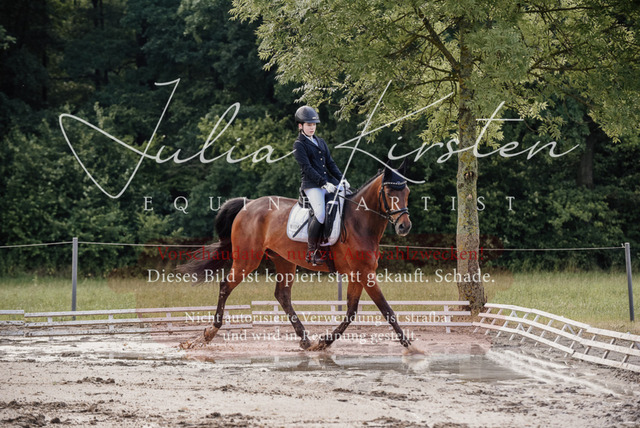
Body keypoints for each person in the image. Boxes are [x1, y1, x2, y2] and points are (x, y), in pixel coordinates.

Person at [292, 106, 349, 265]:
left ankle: (332, 243)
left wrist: (341, 178)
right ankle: (311, 252)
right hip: (312, 185)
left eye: (314, 125)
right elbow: (307, 168)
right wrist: (323, 183)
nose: (312, 128)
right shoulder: (299, 145)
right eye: (308, 125)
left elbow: (330, 163)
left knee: (343, 204)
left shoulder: (320, 141)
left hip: (328, 183)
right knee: (321, 214)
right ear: (300, 126)